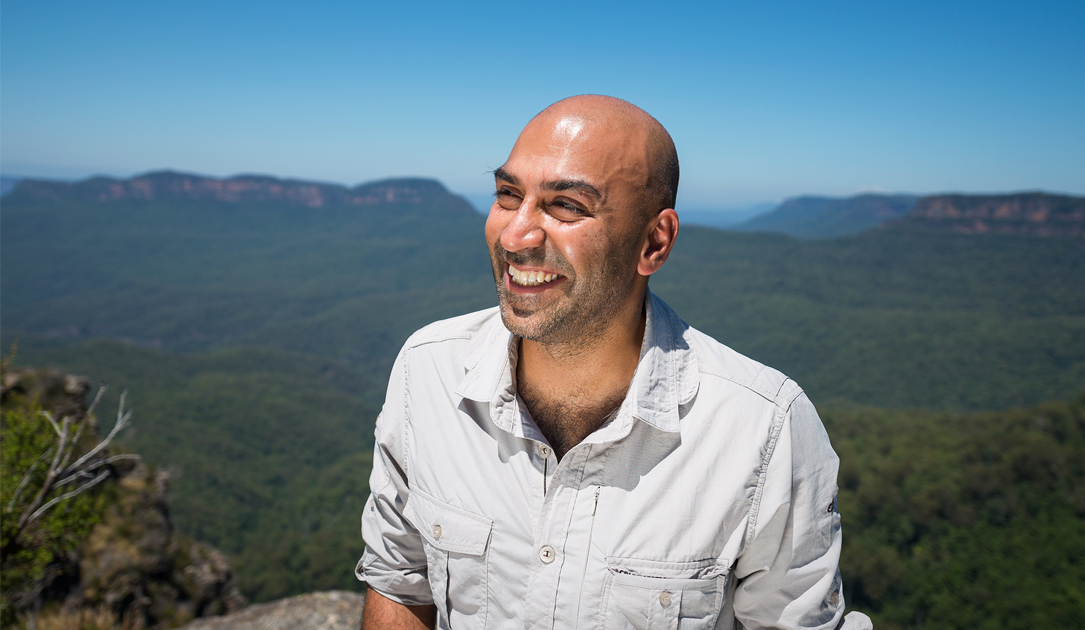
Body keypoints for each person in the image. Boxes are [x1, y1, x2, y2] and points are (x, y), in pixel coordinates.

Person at [356, 95, 871, 630]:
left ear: (654, 241)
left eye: (566, 207)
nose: (514, 237)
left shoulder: (763, 431)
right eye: (509, 195)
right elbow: (400, 576)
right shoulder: (429, 370)